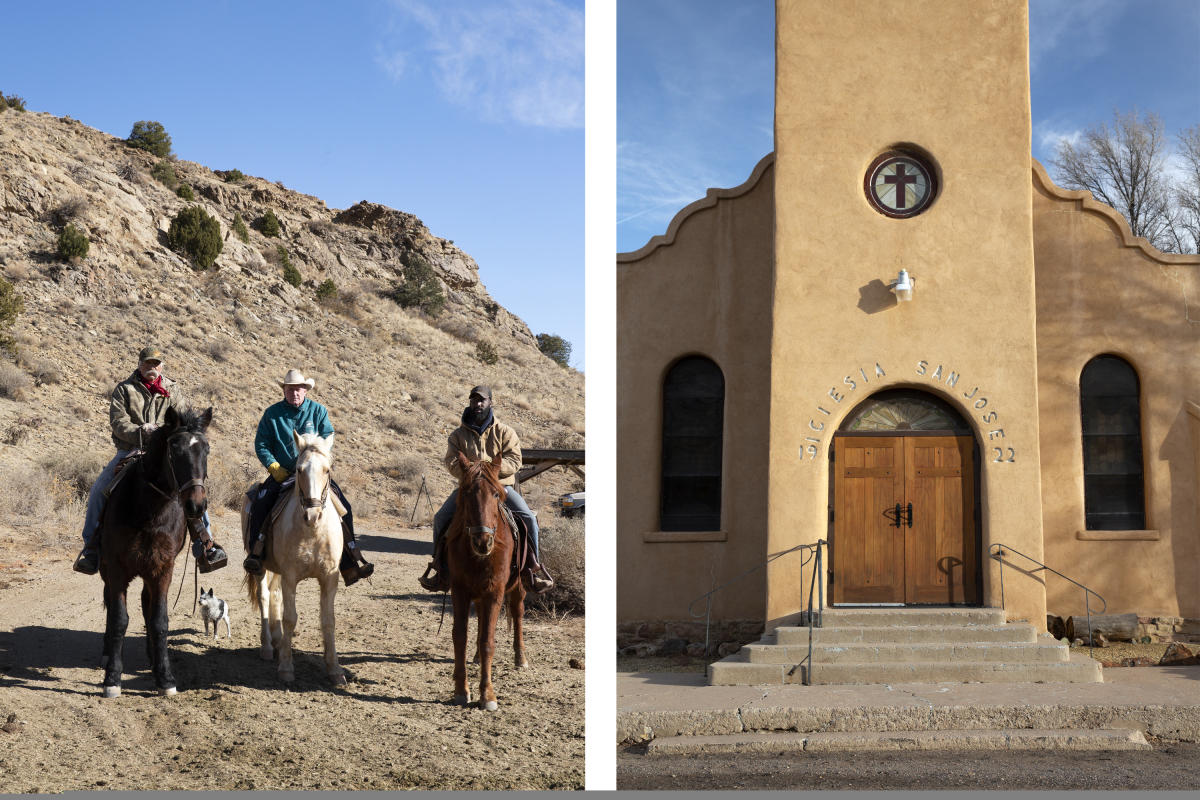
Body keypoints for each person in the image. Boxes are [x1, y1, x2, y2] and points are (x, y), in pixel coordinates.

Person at [73, 346, 228, 574]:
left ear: (162, 366)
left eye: (156, 364)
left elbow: (184, 420)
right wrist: (140, 431)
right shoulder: (124, 390)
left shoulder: (172, 390)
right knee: (99, 490)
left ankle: (206, 544)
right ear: (139, 364)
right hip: (131, 450)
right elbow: (118, 423)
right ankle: (92, 548)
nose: (151, 368)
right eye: (147, 363)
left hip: (166, 454)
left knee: (192, 487)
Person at [242, 369, 374, 586]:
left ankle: (350, 561)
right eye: (290, 389)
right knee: (260, 503)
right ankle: (256, 554)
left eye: (298, 389)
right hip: (283, 473)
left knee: (345, 507)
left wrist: (320, 462)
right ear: (284, 390)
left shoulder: (318, 411)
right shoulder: (272, 414)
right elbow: (262, 444)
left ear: (305, 390)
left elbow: (328, 438)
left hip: (314, 475)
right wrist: (273, 466)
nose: (295, 393)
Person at [418, 385, 554, 593]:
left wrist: (490, 469)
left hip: (501, 487)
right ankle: (441, 569)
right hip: (470, 489)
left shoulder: (505, 432)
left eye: (482, 400)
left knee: (527, 518)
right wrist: (473, 473)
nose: (478, 404)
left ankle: (532, 569)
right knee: (440, 519)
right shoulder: (458, 435)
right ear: (470, 403)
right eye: (474, 400)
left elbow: (515, 460)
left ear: (491, 402)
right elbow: (452, 462)